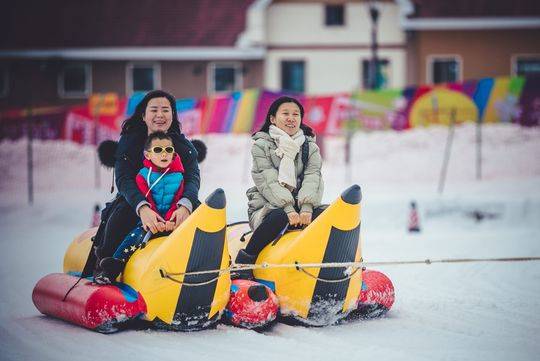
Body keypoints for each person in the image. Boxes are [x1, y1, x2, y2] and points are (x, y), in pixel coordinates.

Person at [90, 90, 200, 281]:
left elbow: (193, 179)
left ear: (173, 115)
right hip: (136, 205)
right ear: (143, 115)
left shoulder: (184, 147)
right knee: (121, 212)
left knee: (203, 214)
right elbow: (124, 179)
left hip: (176, 205)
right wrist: (143, 209)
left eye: (165, 110)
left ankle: (215, 264)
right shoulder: (129, 144)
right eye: (154, 110)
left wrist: (185, 205)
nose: (160, 115)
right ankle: (107, 267)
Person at [235, 96, 325, 279]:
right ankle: (246, 260)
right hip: (267, 206)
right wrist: (288, 208)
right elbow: (268, 181)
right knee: (279, 216)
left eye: (296, 114)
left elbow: (312, 177)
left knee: (329, 213)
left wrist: (307, 207)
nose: (291, 118)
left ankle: (343, 264)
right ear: (273, 118)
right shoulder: (261, 146)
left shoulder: (310, 147)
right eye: (285, 113)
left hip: (302, 206)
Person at [94, 132, 186, 284]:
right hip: (150, 220)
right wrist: (155, 220)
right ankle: (112, 269)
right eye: (158, 150)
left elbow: (177, 200)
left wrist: (170, 220)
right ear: (147, 155)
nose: (164, 154)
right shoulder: (142, 176)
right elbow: (147, 200)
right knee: (133, 238)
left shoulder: (179, 176)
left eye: (168, 150)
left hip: (171, 222)